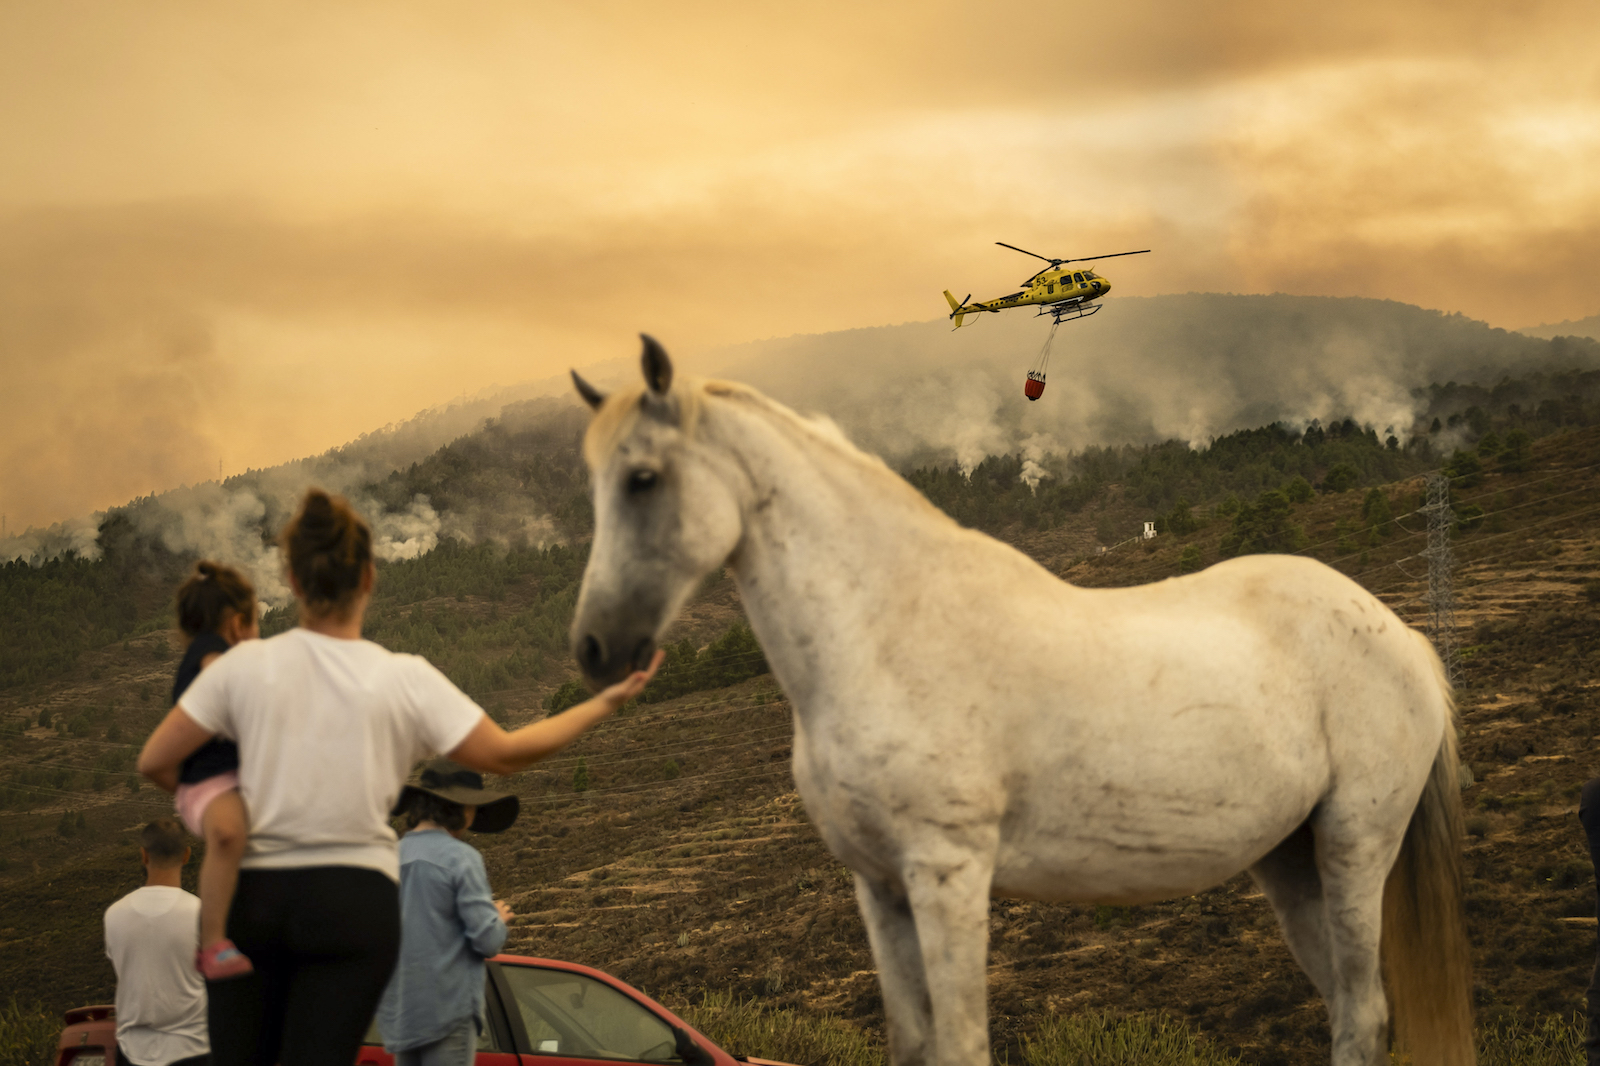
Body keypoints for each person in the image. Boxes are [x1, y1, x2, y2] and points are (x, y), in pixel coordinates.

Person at [137, 488, 660, 1066]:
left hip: (256, 894)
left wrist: (217, 808)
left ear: (290, 577)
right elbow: (508, 753)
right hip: (355, 901)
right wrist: (608, 699)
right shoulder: (404, 678)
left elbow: (158, 762)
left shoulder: (239, 668)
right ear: (368, 578)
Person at [377, 760, 520, 1066]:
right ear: (458, 807)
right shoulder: (461, 858)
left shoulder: (388, 857)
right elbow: (487, 940)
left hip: (400, 1012)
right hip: (447, 1007)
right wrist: (498, 920)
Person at [171, 560, 259, 980]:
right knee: (228, 836)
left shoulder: (205, 651)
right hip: (210, 781)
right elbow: (220, 682)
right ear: (240, 622)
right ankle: (212, 945)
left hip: (225, 776)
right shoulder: (213, 655)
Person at [104, 818, 210, 1066]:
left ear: (143, 855)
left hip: (132, 1052)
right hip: (193, 1049)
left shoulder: (114, 914)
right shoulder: (202, 915)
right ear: (186, 855)